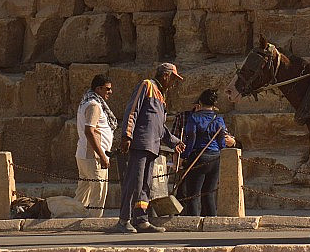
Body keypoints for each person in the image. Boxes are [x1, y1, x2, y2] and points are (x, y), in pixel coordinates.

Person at [109, 63, 186, 233]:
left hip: (153, 147)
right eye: (172, 79)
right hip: (140, 143)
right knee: (133, 182)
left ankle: (141, 219)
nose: (173, 83)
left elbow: (160, 127)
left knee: (145, 185)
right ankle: (124, 219)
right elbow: (132, 110)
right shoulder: (147, 85)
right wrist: (127, 135)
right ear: (165, 75)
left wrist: (174, 142)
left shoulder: (161, 96)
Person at [179, 89, 235, 216]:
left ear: (200, 102)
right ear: (214, 104)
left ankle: (192, 222)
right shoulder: (219, 119)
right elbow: (222, 143)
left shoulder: (194, 118)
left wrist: (184, 156)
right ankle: (211, 222)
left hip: (198, 157)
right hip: (215, 158)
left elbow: (191, 139)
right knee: (208, 193)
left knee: (193, 195)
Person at [74, 74, 115, 218]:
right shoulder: (93, 105)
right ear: (98, 89)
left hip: (84, 155)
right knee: (98, 195)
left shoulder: (87, 102)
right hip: (93, 157)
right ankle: (94, 223)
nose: (110, 92)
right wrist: (102, 156)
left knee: (82, 195)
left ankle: (72, 219)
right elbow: (89, 131)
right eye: (107, 89)